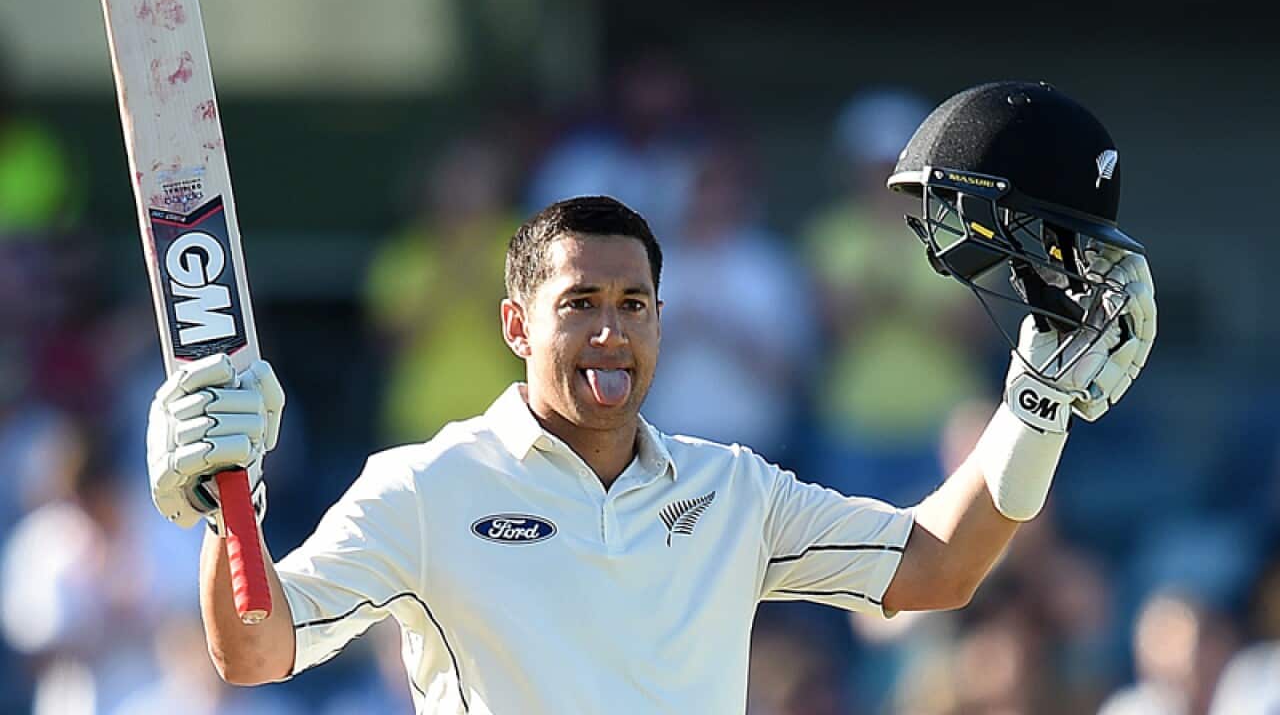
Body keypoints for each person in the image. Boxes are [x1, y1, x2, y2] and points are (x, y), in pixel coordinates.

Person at [145, 82, 1156, 713]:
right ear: (515, 328)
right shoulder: (423, 486)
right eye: (578, 303)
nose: (609, 329)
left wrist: (1033, 405)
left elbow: (938, 568)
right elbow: (255, 650)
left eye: (634, 303)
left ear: (660, 321)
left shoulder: (733, 490)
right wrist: (219, 509)